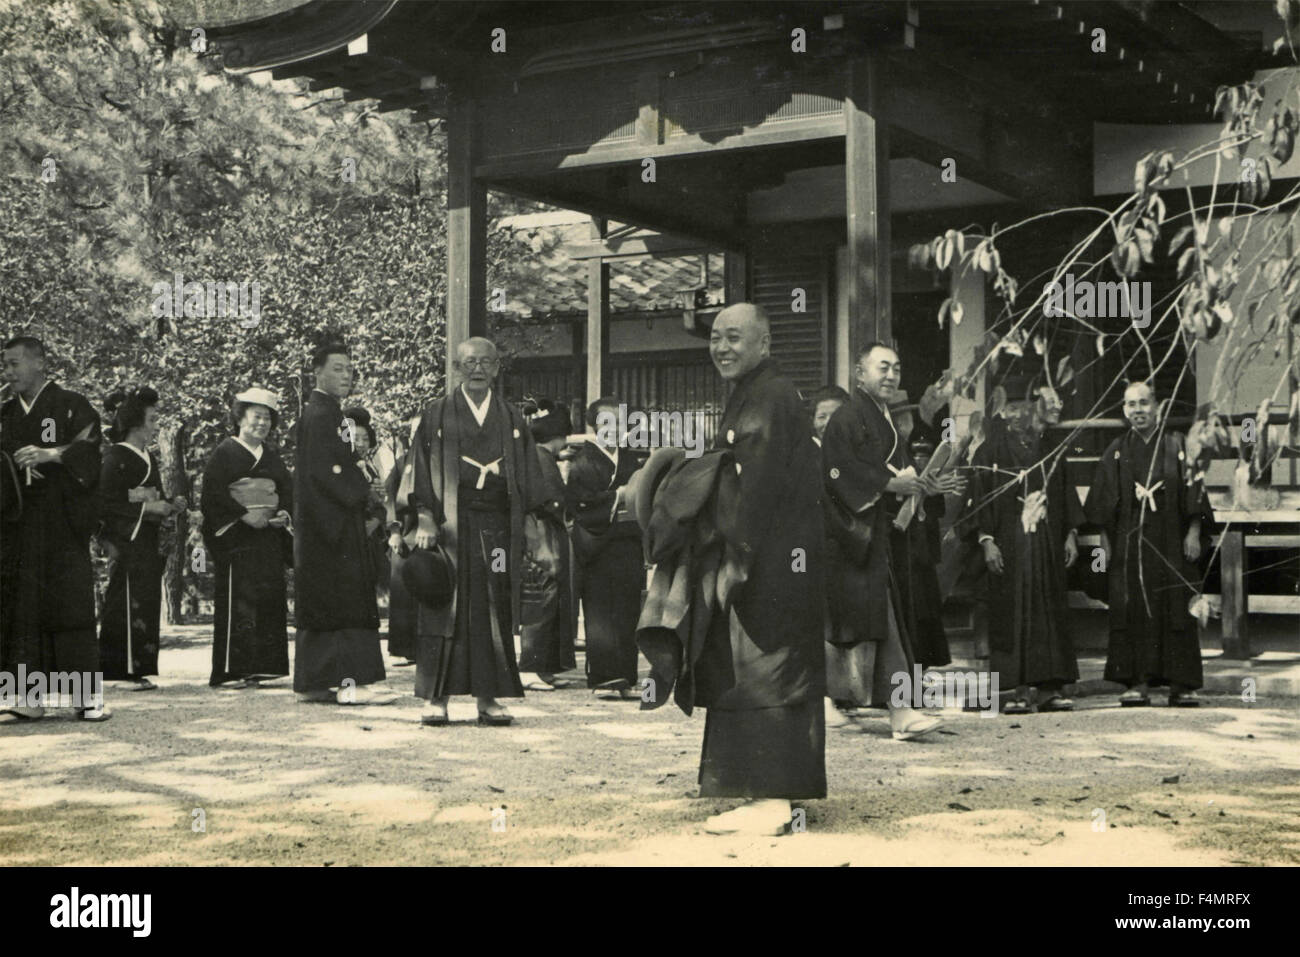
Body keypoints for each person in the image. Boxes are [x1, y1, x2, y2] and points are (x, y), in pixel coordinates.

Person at [639, 303, 827, 836]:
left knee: (767, 670)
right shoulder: (756, 392)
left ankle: (774, 800)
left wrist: (737, 564)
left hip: (771, 559)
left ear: (764, 344)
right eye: (716, 337)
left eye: (735, 338)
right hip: (770, 556)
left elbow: (759, 490)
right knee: (749, 670)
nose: (722, 347)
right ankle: (763, 792)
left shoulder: (770, 397)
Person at [397, 337, 549, 727]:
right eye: (469, 362)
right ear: (456, 367)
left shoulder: (512, 418)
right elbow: (417, 468)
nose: (477, 368)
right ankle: (437, 698)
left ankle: (489, 698)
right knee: (444, 607)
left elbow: (530, 474)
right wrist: (425, 517)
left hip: (497, 528)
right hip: (450, 524)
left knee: (493, 606)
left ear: (497, 368)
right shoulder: (437, 414)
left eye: (486, 362)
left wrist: (531, 525)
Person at [821, 344, 960, 739]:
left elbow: (890, 473)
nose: (891, 375)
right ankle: (896, 711)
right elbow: (836, 473)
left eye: (897, 369)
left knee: (881, 628)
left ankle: (849, 702)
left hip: (879, 536)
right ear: (859, 373)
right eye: (882, 367)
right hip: (852, 537)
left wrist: (920, 485)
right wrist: (887, 483)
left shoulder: (881, 418)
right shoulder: (847, 419)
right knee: (871, 627)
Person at [0, 336, 108, 721]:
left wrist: (52, 454)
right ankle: (26, 698)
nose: (8, 372)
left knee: (69, 603)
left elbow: (92, 451)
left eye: (14, 363)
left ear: (40, 363)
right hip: (18, 525)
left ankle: (86, 698)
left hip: (62, 523)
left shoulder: (71, 406)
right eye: (5, 365)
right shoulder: (6, 414)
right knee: (20, 608)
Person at [1085, 381, 1208, 707]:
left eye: (1143, 403)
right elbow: (1102, 506)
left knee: (1177, 607)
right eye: (1130, 404)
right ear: (1124, 411)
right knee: (1131, 608)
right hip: (1129, 545)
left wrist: (1194, 532)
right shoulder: (1116, 449)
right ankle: (1136, 683)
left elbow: (1195, 491)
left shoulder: (1177, 444)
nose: (1137, 410)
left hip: (1171, 541)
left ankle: (1181, 685)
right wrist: (1104, 546)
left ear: (1157, 406)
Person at [962, 382, 1082, 713]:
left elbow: (1065, 493)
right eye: (1050, 401)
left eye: (1059, 400)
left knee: (1047, 609)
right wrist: (987, 541)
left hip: (1045, 541)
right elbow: (980, 498)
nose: (1057, 406)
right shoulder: (993, 450)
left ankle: (1049, 689)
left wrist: (1069, 533)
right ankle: (1017, 690)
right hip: (1009, 541)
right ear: (1029, 406)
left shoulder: (1054, 448)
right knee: (1012, 612)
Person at [293, 343, 394, 706]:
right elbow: (325, 471)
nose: (346, 375)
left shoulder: (327, 413)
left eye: (349, 369)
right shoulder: (321, 414)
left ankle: (315, 683)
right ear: (317, 372)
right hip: (330, 522)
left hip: (325, 522)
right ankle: (350, 685)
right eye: (337, 368)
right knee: (345, 599)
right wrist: (362, 489)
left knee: (327, 602)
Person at [201, 388, 293, 688]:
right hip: (237, 537)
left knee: (268, 597)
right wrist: (242, 514)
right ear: (240, 418)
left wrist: (284, 515)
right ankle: (230, 670)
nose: (262, 424)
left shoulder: (273, 457)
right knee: (238, 600)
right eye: (256, 417)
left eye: (267, 418)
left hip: (268, 535)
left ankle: (263, 667)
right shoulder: (225, 452)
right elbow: (212, 494)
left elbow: (288, 493)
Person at [98, 387, 184, 690]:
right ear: (135, 423)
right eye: (151, 419)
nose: (155, 424)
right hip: (126, 539)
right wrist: (148, 506)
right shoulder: (115, 457)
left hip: (145, 538)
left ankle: (137, 668)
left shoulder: (147, 456)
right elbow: (105, 503)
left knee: (146, 599)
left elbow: (154, 494)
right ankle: (115, 670)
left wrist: (170, 503)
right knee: (124, 599)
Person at [566, 396, 647, 698]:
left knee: (627, 611)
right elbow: (580, 504)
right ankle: (602, 677)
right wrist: (619, 496)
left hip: (628, 543)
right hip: (598, 544)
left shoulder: (630, 459)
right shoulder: (582, 462)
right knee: (600, 612)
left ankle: (625, 678)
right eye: (605, 422)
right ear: (593, 426)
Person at [518, 398, 578, 690]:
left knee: (548, 597)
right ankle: (530, 666)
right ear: (556, 438)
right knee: (541, 595)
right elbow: (551, 499)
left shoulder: (537, 457)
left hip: (544, 527)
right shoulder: (541, 459)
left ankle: (543, 665)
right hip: (541, 530)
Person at [906, 437, 953, 671]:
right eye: (916, 456)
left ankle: (923, 668)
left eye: (924, 456)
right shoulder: (906, 480)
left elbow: (939, 511)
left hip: (925, 556)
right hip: (909, 556)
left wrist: (928, 497)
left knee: (928, 611)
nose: (920, 460)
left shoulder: (932, 481)